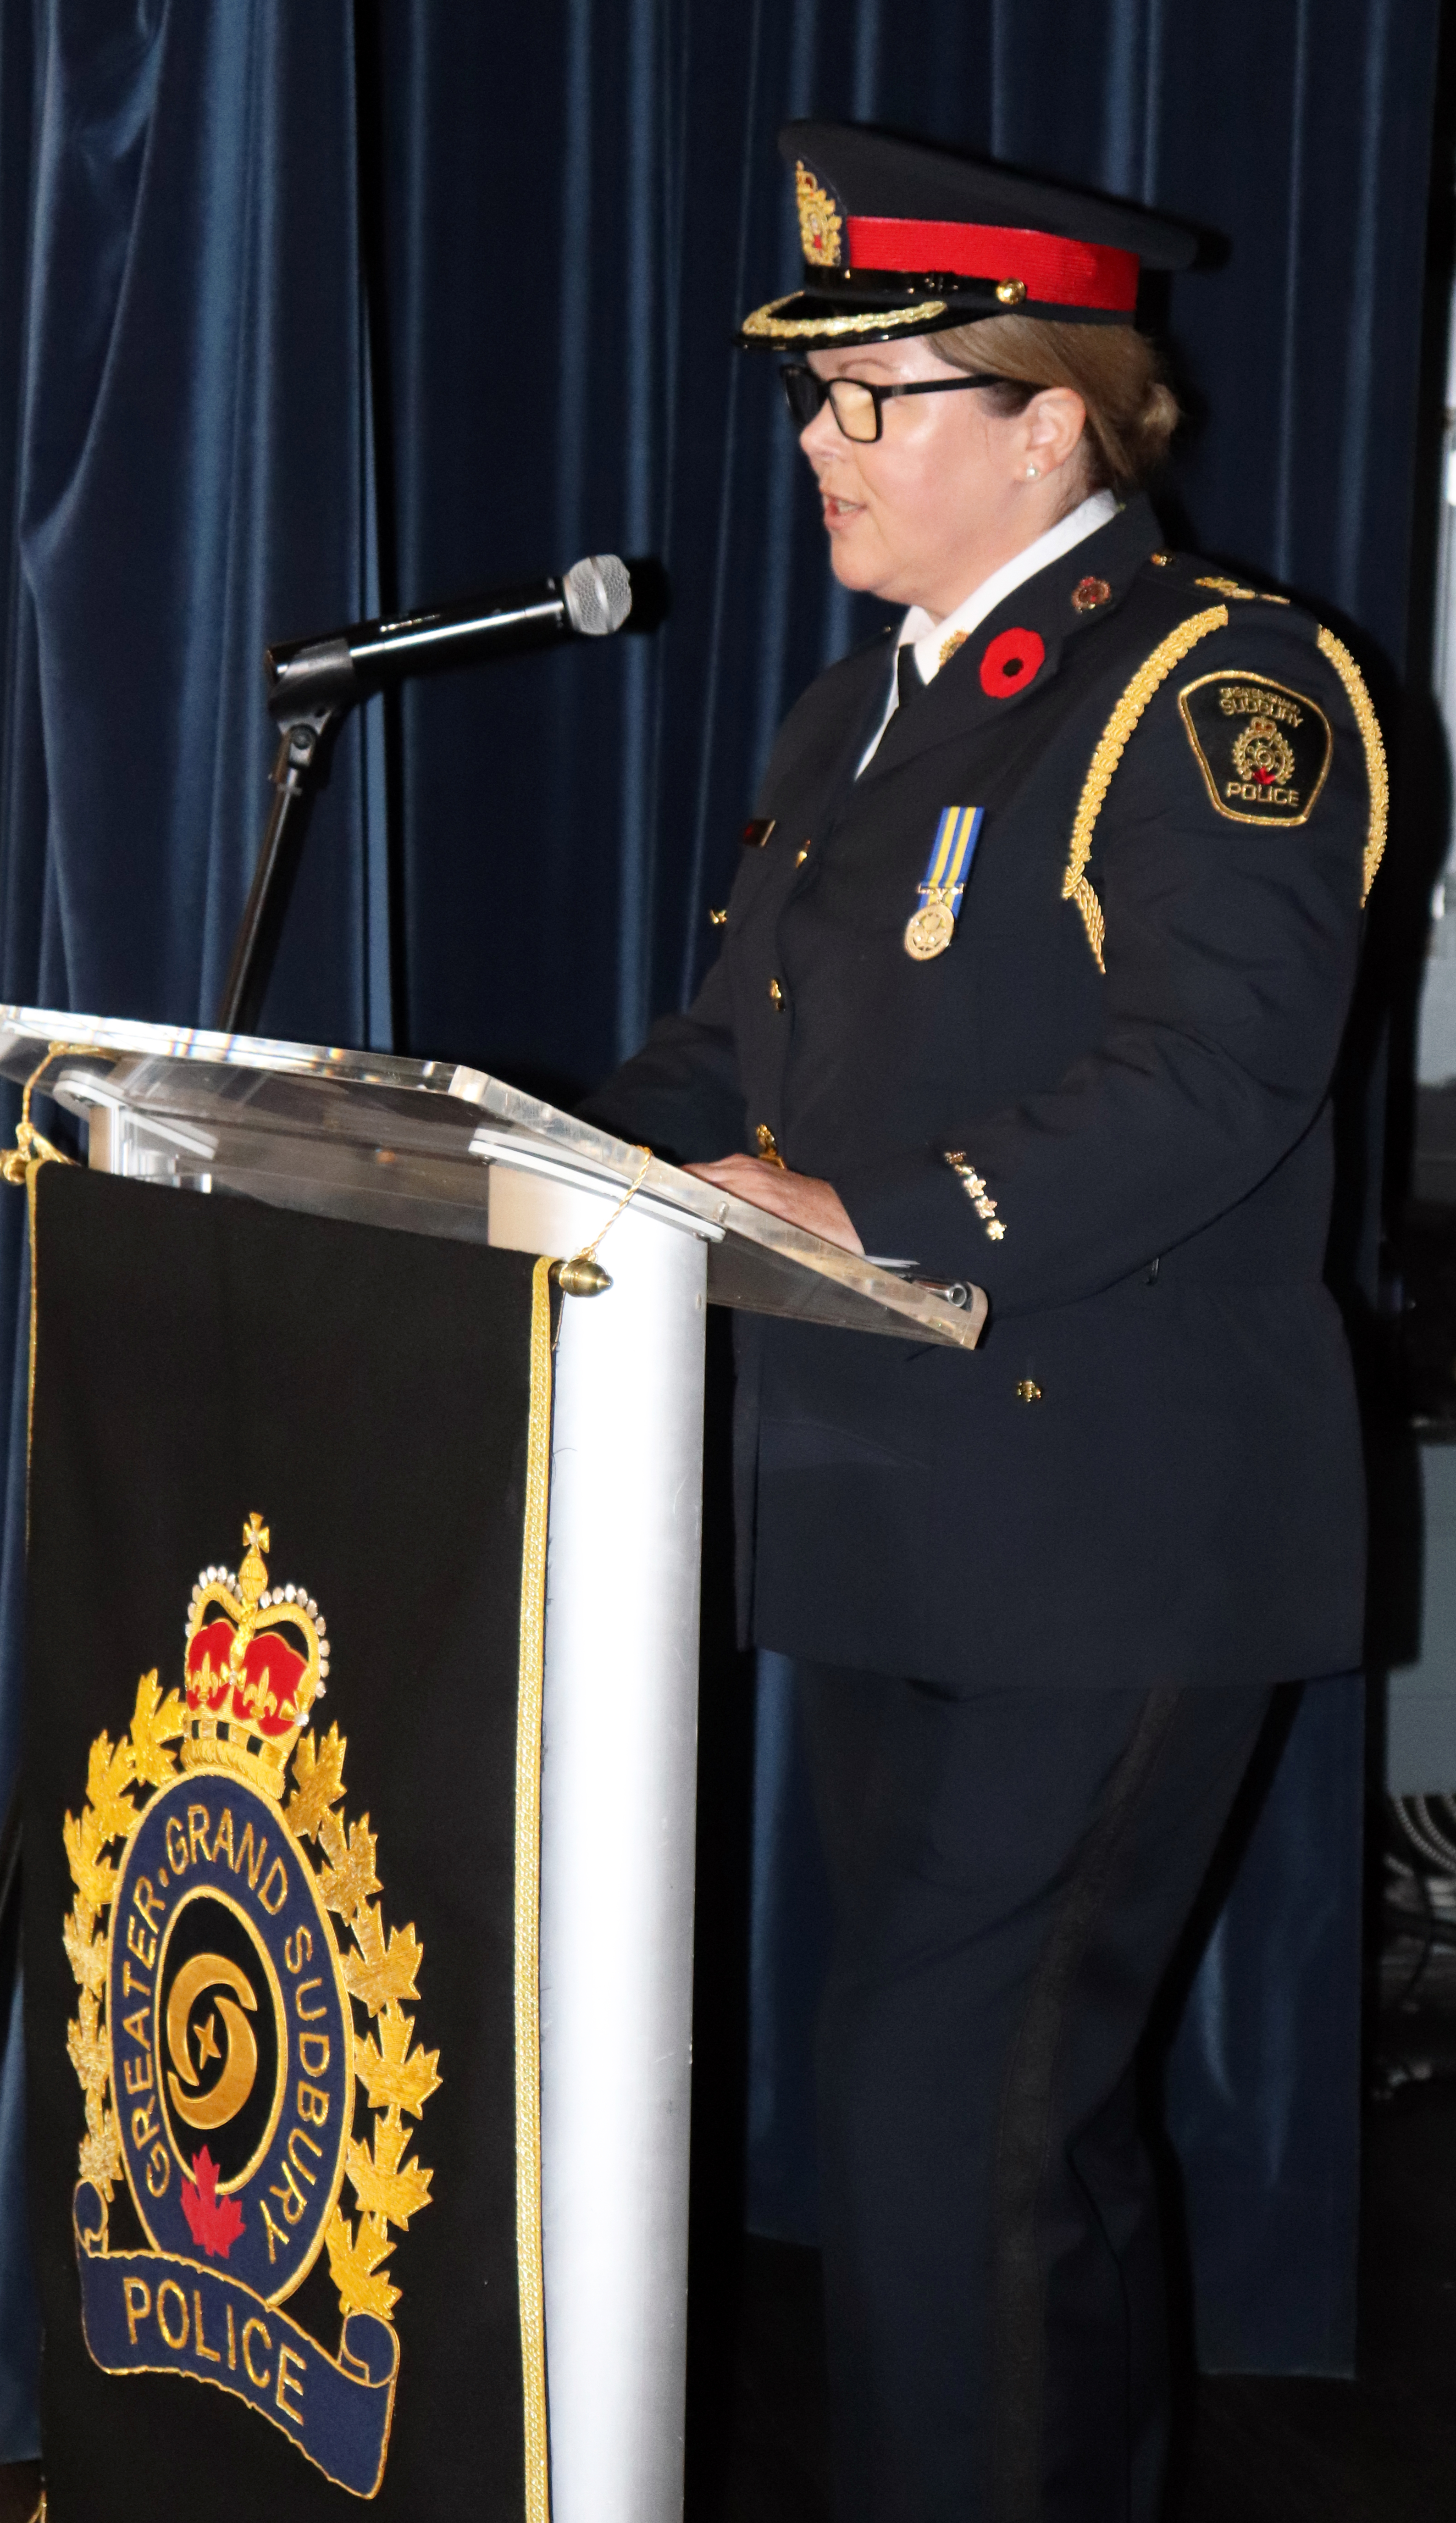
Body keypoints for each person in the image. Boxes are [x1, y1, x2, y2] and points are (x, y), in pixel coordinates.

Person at [593, 121, 1388, 2523]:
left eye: (876, 396)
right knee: (992, 2110)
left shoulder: (1226, 691)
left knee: (954, 2111)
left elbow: (1214, 1077)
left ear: (1056, 415)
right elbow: (727, 1055)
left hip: (1114, 1525)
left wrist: (867, 1205)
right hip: (893, 1518)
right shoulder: (847, 727)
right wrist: (510, 1154)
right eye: (813, 400)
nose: (820, 442)